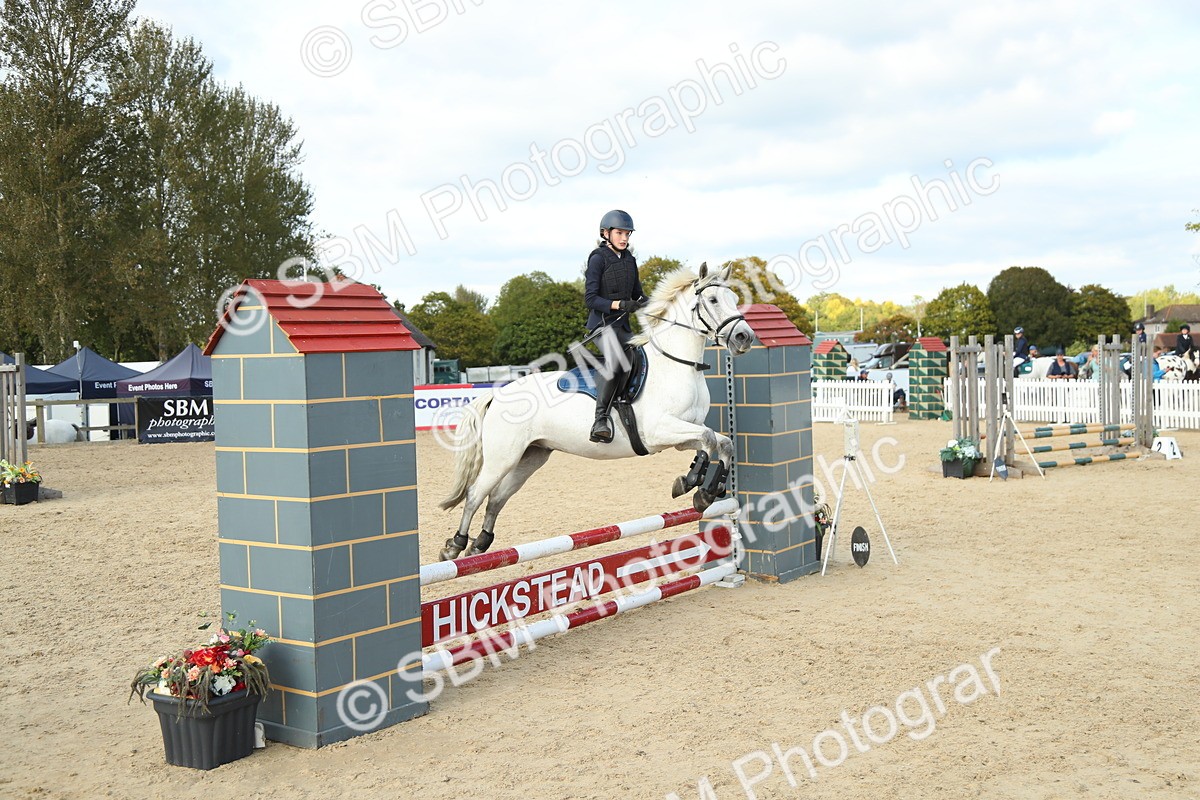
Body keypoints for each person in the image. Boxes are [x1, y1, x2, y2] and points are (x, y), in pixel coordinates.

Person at [584, 209, 647, 443]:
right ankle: (599, 419)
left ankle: (623, 406)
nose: (624, 238)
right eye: (619, 233)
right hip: (601, 326)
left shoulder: (630, 260)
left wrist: (659, 305)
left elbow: (639, 295)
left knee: (635, 363)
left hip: (623, 328)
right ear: (606, 233)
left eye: (627, 234)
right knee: (617, 363)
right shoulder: (597, 258)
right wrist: (620, 304)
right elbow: (590, 299)